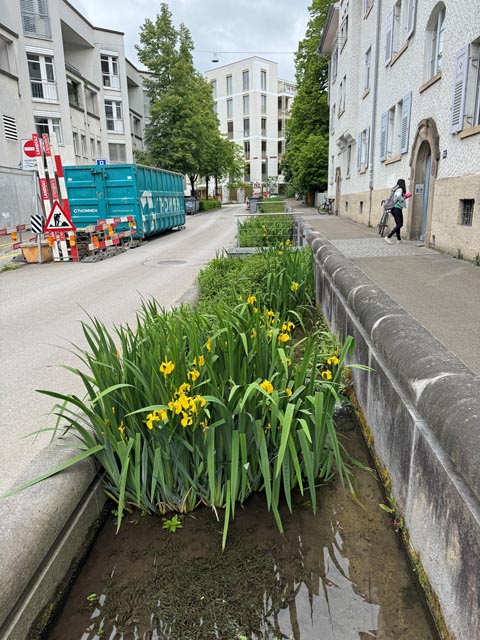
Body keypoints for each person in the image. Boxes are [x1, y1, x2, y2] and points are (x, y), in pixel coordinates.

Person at [384, 179, 410, 244]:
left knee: (398, 224)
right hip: (397, 208)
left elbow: (397, 196)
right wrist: (403, 198)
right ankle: (388, 237)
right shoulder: (400, 189)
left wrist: (403, 197)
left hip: (394, 208)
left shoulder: (396, 189)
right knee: (400, 224)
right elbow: (398, 196)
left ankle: (399, 239)